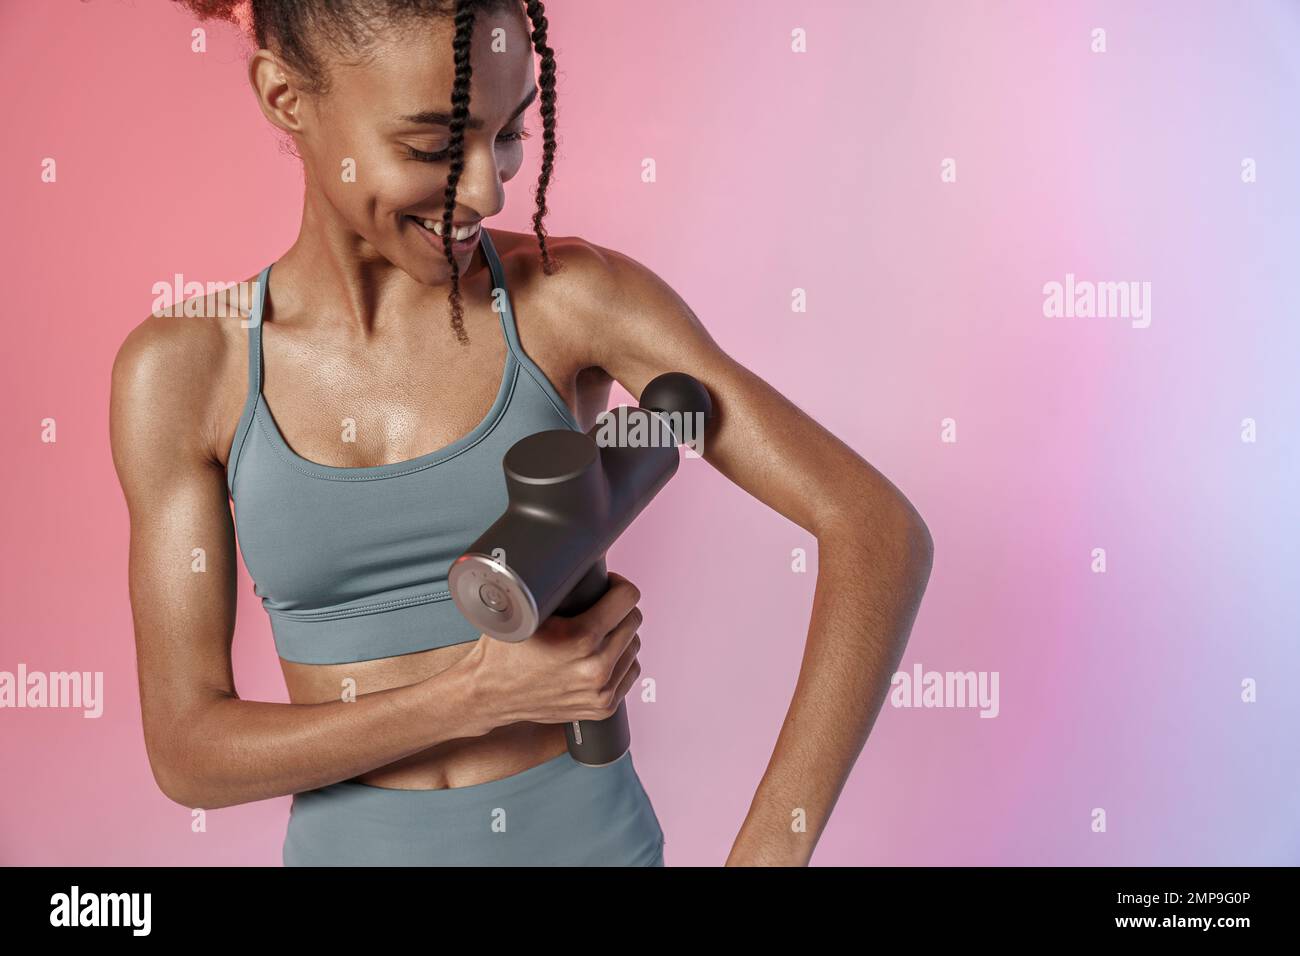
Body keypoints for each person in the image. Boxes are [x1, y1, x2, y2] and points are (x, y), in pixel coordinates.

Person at [108, 0, 934, 866]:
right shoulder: (184, 371)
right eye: (433, 145)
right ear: (284, 96)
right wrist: (472, 698)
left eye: (508, 133)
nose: (488, 188)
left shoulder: (569, 301)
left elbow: (875, 529)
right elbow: (188, 752)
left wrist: (770, 851)